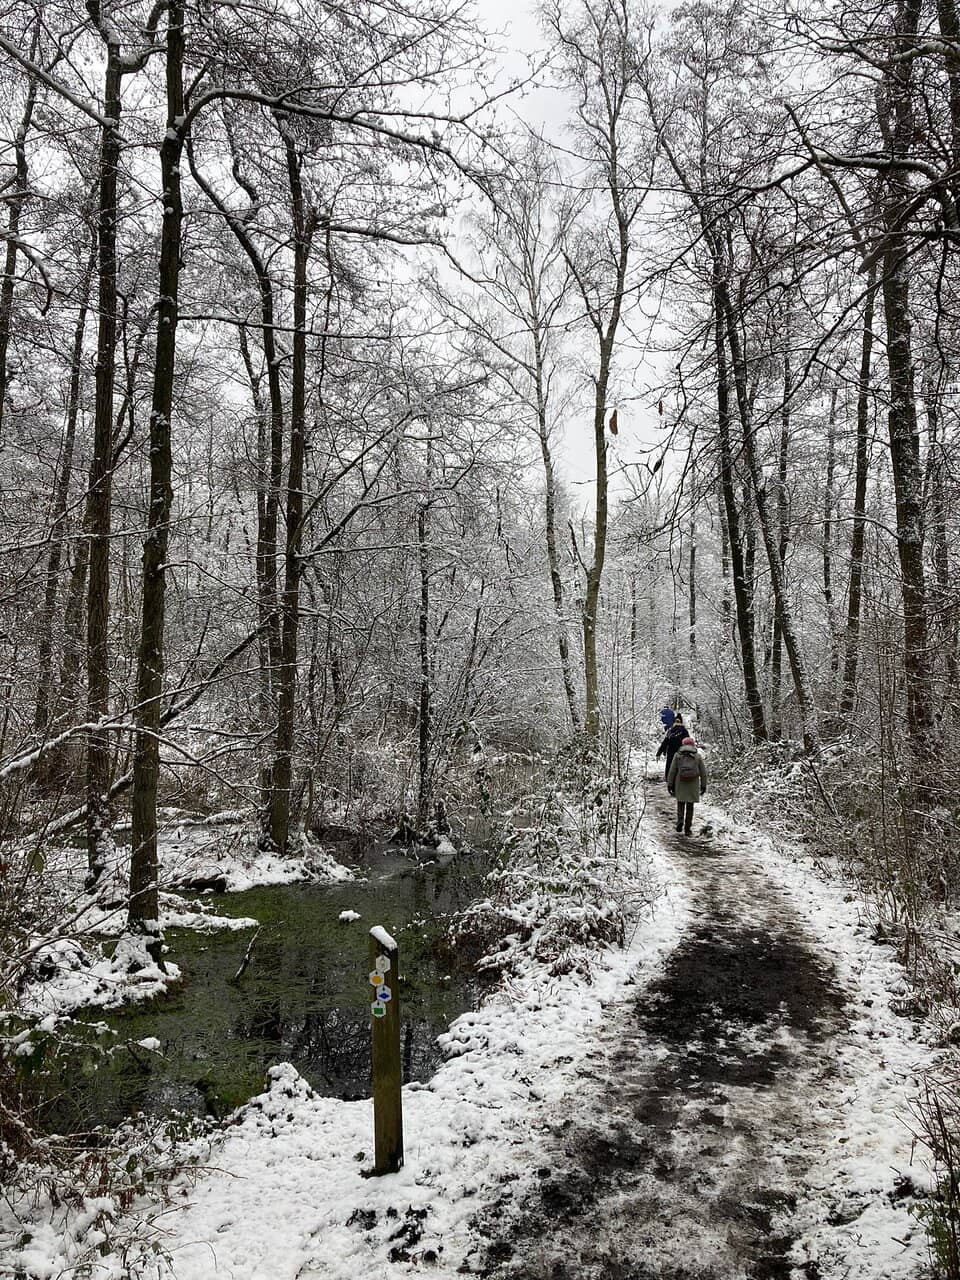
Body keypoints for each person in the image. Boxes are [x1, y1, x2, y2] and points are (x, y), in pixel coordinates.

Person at [667, 735, 708, 835]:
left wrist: (670, 784)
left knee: (680, 804)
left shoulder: (677, 755)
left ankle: (680, 821)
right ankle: (688, 828)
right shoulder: (697, 756)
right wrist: (703, 785)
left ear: (683, 744)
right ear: (693, 745)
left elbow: (672, 771)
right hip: (693, 784)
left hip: (680, 782)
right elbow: (703, 772)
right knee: (690, 806)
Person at [655, 712, 686, 781]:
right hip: (681, 752)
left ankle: (668, 779)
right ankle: (680, 779)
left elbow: (665, 743)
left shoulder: (670, 731)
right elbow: (688, 743)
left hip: (671, 753)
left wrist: (659, 753)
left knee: (669, 766)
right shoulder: (684, 731)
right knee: (680, 766)